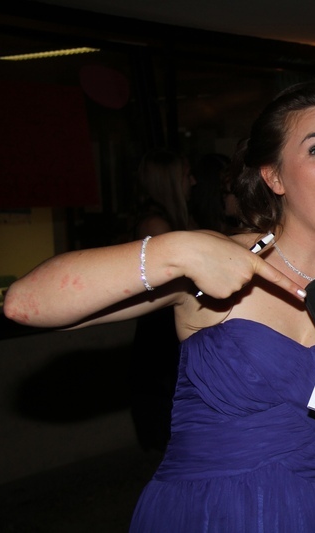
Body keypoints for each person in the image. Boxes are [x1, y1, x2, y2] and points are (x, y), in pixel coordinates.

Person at [3, 79, 315, 532]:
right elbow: (26, 303)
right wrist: (175, 251)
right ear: (273, 176)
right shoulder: (214, 259)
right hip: (206, 514)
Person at [129, 148, 198, 453]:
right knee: (163, 422)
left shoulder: (179, 220)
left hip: (171, 329)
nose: (193, 182)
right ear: (168, 181)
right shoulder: (155, 226)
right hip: (160, 333)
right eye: (186, 175)